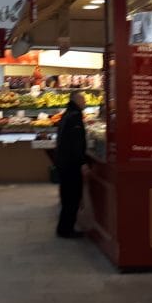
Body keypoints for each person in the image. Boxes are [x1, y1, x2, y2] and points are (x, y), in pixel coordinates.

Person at [54, 90, 88, 238]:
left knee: (67, 196)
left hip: (63, 161)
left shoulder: (67, 114)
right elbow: (76, 142)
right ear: (77, 100)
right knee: (72, 197)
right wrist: (82, 162)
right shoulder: (75, 116)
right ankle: (66, 229)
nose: (85, 102)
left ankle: (64, 227)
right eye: (83, 99)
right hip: (71, 164)